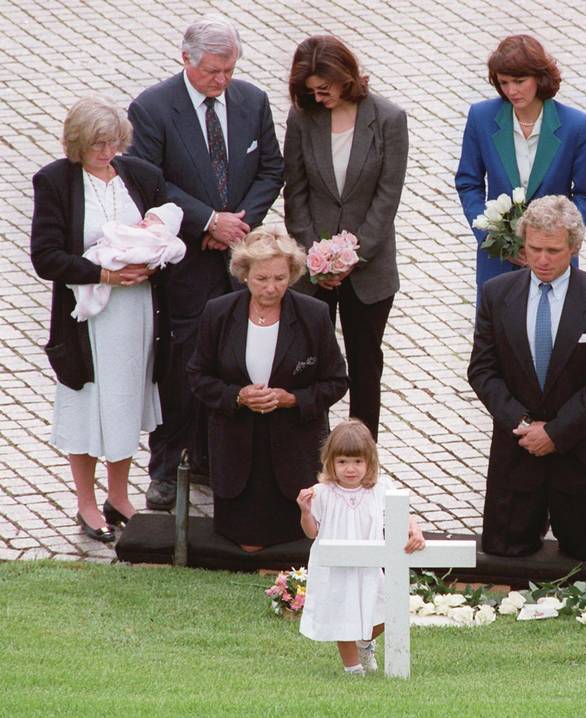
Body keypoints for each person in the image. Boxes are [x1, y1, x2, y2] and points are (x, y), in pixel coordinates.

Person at [128, 14, 284, 510]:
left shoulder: (252, 101)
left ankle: (219, 463)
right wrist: (206, 221)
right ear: (186, 59)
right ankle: (168, 466)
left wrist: (238, 223)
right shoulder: (152, 109)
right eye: (213, 71)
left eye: (229, 70)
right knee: (183, 362)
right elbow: (148, 181)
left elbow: (270, 167)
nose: (222, 80)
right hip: (187, 263)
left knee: (236, 357)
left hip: (238, 258)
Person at [30, 96, 171, 542]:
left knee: (127, 400)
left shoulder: (141, 176)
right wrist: (104, 272)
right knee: (89, 403)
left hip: (137, 312)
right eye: (97, 145)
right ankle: (87, 503)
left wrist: (153, 260)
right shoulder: (55, 182)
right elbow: (46, 257)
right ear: (77, 144)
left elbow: (165, 229)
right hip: (86, 318)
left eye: (112, 143)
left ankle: (119, 494)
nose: (106, 153)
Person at [467, 195, 586, 560]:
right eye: (534, 248)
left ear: (574, 247)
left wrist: (555, 433)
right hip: (517, 454)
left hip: (581, 459)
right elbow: (481, 369)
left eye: (553, 251)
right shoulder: (497, 294)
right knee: (502, 554)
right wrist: (524, 425)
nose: (542, 259)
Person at [186, 226, 347, 551]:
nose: (271, 288)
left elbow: (336, 380)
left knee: (295, 542)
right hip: (236, 444)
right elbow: (198, 376)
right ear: (244, 274)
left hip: (293, 447)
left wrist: (293, 399)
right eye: (262, 279)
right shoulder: (218, 313)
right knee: (246, 544)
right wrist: (237, 395)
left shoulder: (313, 315)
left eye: (280, 278)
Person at [284, 35, 409, 440]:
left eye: (324, 89)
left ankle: (360, 451)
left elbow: (387, 196)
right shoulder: (302, 120)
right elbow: (296, 192)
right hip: (313, 270)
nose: (319, 99)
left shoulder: (389, 119)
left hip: (369, 272)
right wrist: (314, 254)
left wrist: (352, 256)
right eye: (310, 92)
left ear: (345, 77)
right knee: (308, 361)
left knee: (365, 362)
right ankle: (309, 446)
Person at [455, 34, 586, 304]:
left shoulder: (575, 125)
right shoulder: (481, 117)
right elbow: (469, 183)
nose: (512, 91)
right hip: (498, 261)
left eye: (519, 81)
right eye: (504, 83)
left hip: (555, 260)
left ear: (539, 78)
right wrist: (491, 236)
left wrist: (556, 239)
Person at [298, 419, 426, 675]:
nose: (350, 469)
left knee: (387, 610)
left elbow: (401, 512)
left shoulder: (380, 489)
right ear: (330, 462)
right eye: (342, 461)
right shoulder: (322, 493)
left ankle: (365, 642)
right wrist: (305, 512)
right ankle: (353, 669)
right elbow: (312, 532)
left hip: (368, 565)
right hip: (336, 568)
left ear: (370, 462)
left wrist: (414, 529)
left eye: (357, 461)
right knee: (342, 614)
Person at [72, 203, 185, 321]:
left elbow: (169, 254)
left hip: (136, 298)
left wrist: (151, 265)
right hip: (101, 265)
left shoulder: (160, 237)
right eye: (146, 217)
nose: (146, 220)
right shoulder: (137, 228)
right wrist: (105, 275)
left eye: (152, 219)